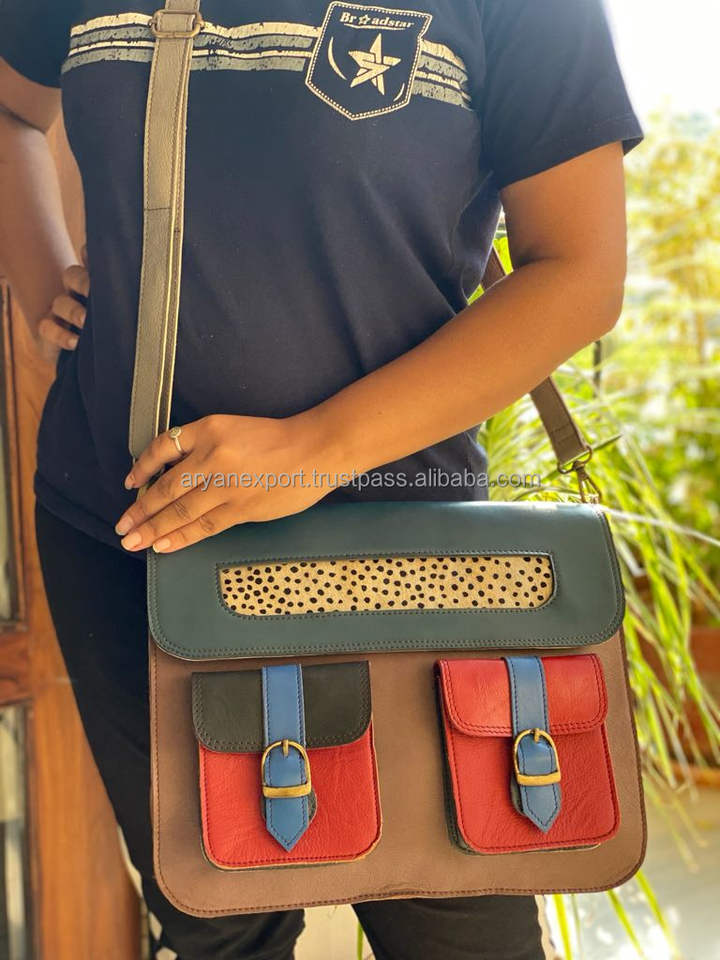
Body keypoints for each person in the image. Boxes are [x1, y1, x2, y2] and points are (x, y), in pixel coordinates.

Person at [0, 0, 642, 956]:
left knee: (459, 927)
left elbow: (580, 271)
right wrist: (42, 275)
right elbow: (11, 110)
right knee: (218, 930)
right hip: (126, 535)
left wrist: (311, 451)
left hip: (397, 555)